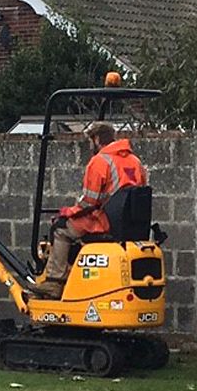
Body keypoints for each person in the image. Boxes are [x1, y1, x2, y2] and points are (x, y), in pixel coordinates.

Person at [37, 122, 147, 298]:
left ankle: (54, 281)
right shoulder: (136, 162)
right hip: (128, 225)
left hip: (103, 221)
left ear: (96, 139)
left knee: (60, 229)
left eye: (90, 141)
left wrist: (68, 212)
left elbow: (89, 202)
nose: (90, 145)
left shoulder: (99, 162)